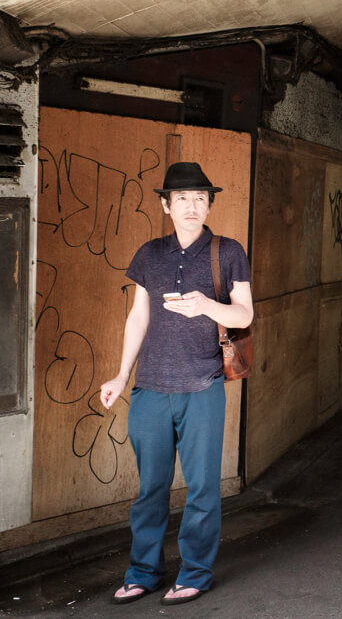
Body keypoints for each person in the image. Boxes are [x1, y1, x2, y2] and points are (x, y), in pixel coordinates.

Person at [99, 162, 253, 607]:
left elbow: (244, 315)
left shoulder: (227, 251)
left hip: (202, 384)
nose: (192, 206)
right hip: (150, 387)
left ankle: (196, 572)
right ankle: (144, 571)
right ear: (165, 205)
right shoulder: (149, 255)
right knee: (150, 488)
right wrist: (121, 374)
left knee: (203, 487)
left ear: (209, 204)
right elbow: (139, 316)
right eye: (182, 199)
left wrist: (207, 305)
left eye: (201, 198)